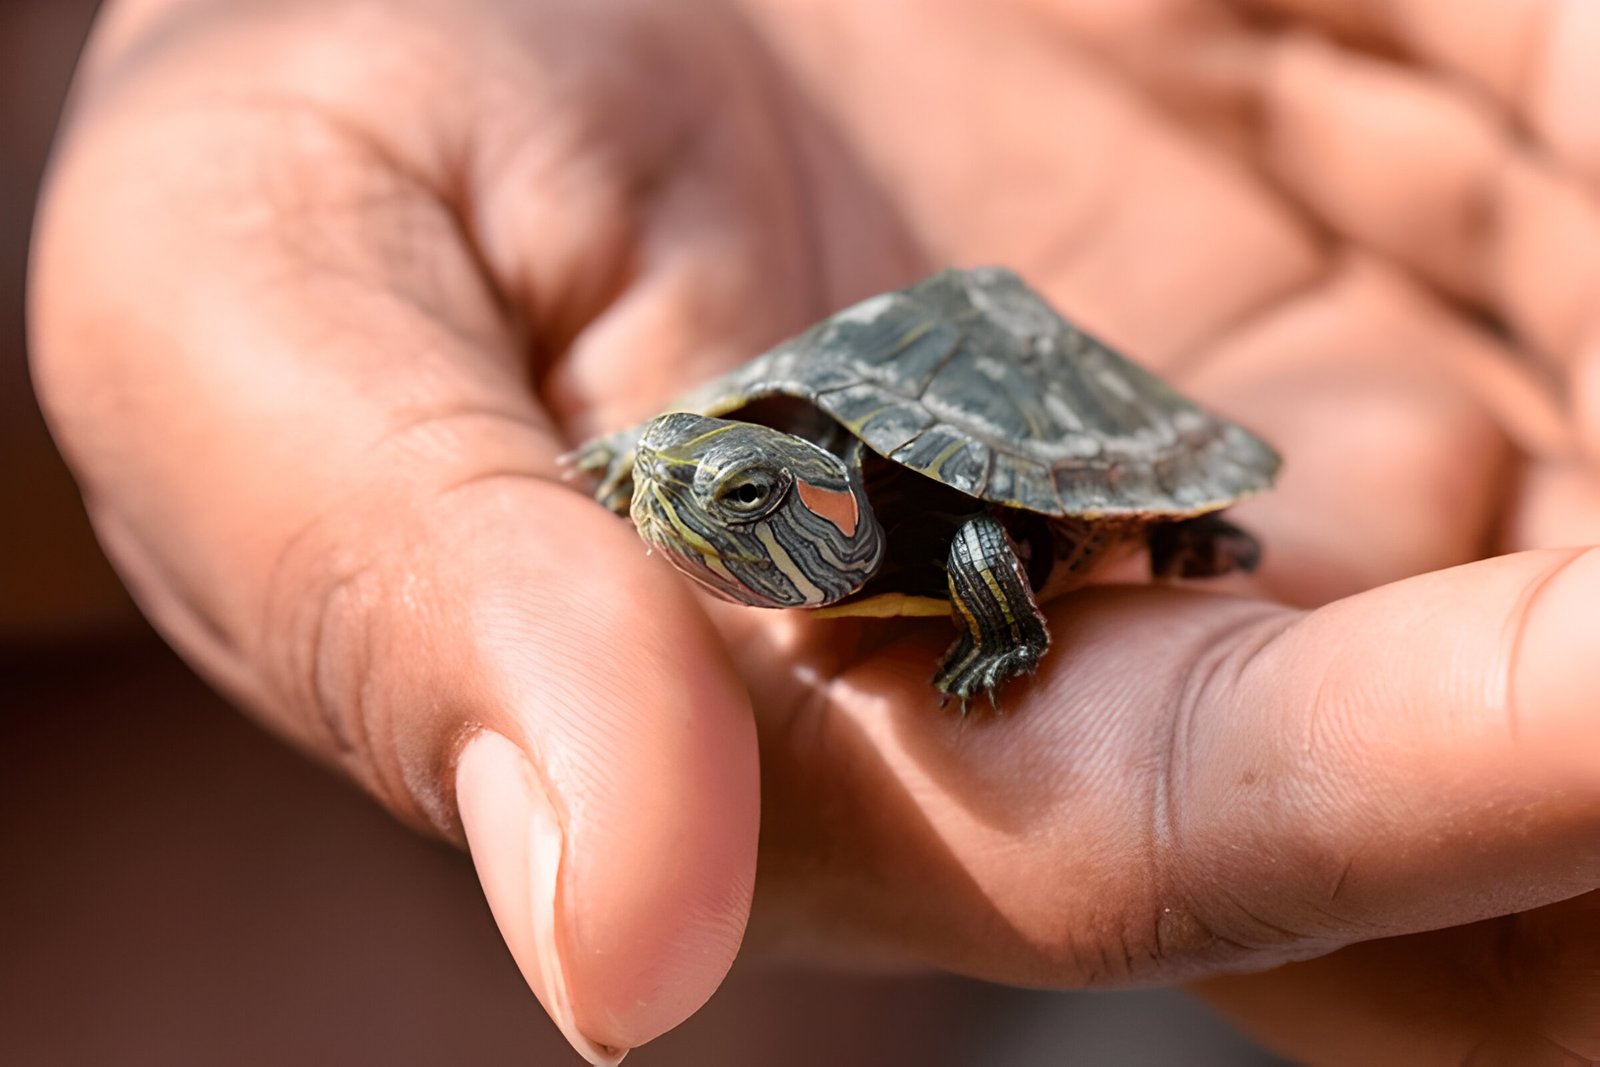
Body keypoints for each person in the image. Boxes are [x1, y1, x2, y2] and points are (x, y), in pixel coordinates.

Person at [29, 0, 1600, 1062]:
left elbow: (990, 549)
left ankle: (1182, 530)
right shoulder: (741, 471)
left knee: (1137, 541)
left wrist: (1005, 627)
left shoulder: (918, 529)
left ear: (828, 501)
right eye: (709, 496)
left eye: (744, 500)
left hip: (1040, 435)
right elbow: (679, 457)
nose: (692, 510)